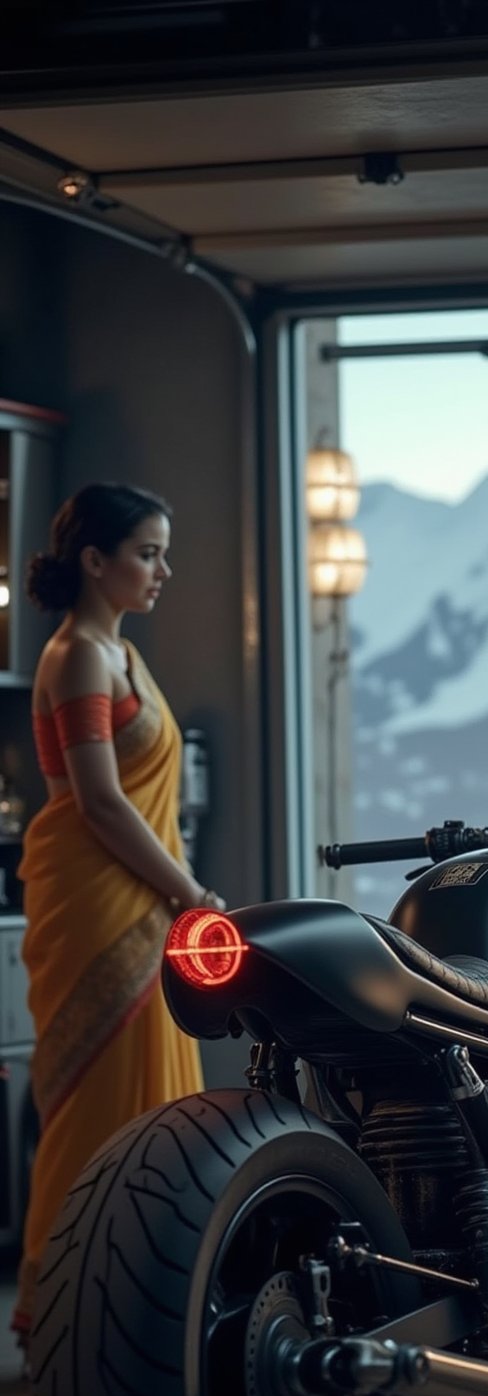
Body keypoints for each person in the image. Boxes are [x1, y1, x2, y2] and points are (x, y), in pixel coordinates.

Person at [10, 482, 224, 1350]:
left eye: (164, 552)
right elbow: (99, 803)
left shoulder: (122, 655)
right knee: (95, 1105)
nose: (164, 570)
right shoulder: (77, 659)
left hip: (141, 890)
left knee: (153, 1108)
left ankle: (140, 1298)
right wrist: (187, 892)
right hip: (101, 903)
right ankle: (65, 1307)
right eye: (147, 553)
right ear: (93, 561)